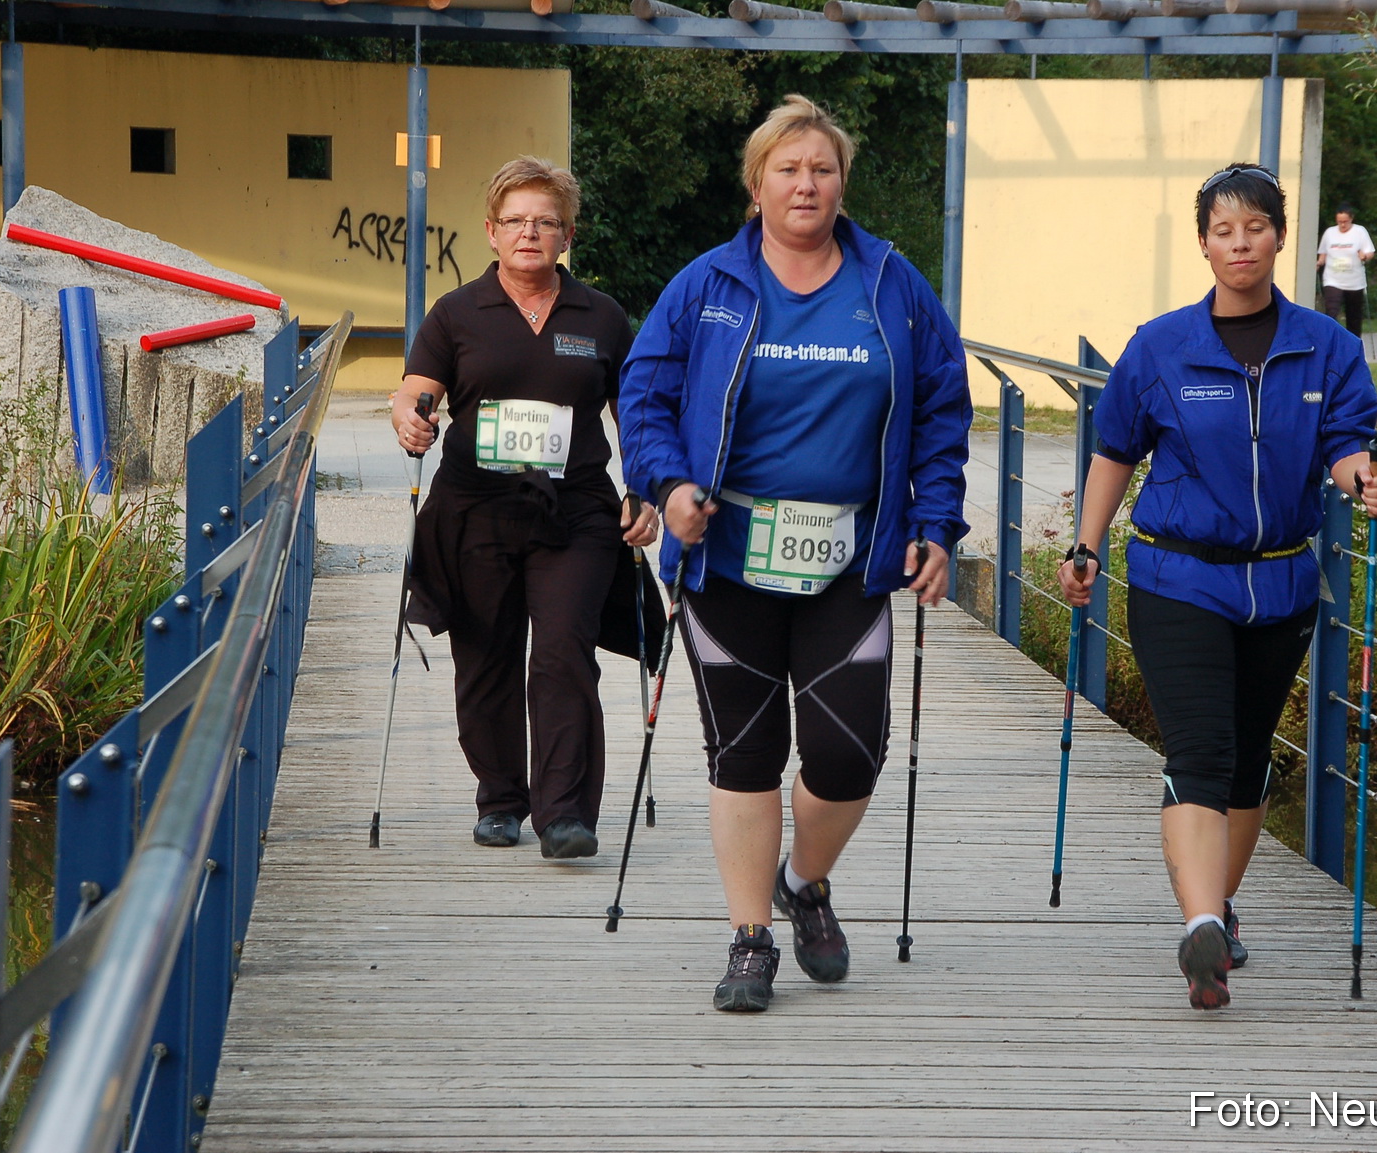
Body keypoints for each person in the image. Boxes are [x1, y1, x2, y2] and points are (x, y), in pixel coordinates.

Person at [619, 95, 971, 1013]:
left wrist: (936, 524)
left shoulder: (893, 284)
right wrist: (669, 487)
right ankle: (749, 938)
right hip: (726, 554)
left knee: (850, 752)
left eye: (821, 168)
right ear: (756, 182)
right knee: (743, 751)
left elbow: (942, 408)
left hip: (851, 561)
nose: (805, 183)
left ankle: (804, 881)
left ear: (842, 181)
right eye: (788, 168)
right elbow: (645, 395)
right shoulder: (707, 286)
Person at [1057, 163, 1377, 1011]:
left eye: (1255, 227)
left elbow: (1347, 450)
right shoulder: (1161, 346)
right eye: (1222, 229)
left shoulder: (1328, 347)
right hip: (1179, 578)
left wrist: (1367, 482)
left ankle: (1220, 906)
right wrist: (1086, 546)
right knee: (1201, 753)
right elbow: (1114, 451)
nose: (1239, 242)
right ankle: (1200, 923)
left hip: (1282, 586)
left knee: (1247, 765)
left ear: (1283, 236)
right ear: (1204, 242)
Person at [392, 156, 660, 860]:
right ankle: (501, 798)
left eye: (546, 221)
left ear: (567, 234)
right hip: (475, 508)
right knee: (486, 658)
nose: (530, 233)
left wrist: (648, 490)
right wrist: (411, 420)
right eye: (516, 221)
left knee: (564, 653)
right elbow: (414, 390)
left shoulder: (600, 315)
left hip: (575, 512)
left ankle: (566, 811)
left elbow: (632, 415)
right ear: (490, 231)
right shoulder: (455, 313)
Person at [1316, 205, 1376, 337]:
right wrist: (1319, 263)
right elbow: (1323, 254)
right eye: (1339, 222)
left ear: (1351, 219)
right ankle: (1331, 340)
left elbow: (1370, 252)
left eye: (1345, 222)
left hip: (1354, 281)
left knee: (1353, 316)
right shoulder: (1330, 233)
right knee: (1332, 311)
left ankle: (1353, 344)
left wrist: (1364, 256)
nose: (1342, 225)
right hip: (1332, 279)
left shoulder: (1359, 231)